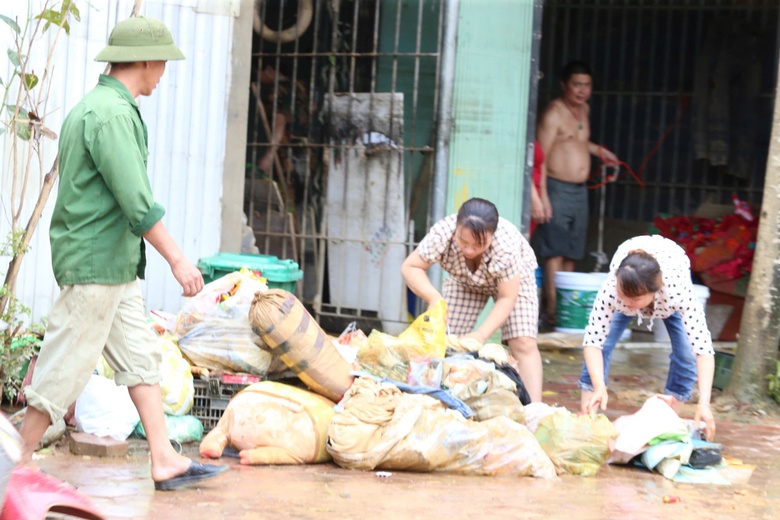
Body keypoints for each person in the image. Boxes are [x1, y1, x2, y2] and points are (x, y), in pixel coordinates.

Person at [19, 17, 228, 491]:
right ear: (146, 60)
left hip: (114, 267)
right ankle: (17, 459)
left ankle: (163, 458)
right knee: (64, 365)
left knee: (140, 357)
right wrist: (177, 258)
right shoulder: (110, 115)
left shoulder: (106, 107)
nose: (164, 74)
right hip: (95, 266)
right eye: (163, 64)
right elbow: (137, 201)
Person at [401, 198, 543, 402]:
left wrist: (480, 336)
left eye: (478, 244)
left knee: (523, 342)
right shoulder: (443, 233)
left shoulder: (507, 245)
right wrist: (434, 298)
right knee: (447, 342)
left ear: (492, 236)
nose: (468, 250)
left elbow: (507, 297)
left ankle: (533, 411)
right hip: (463, 281)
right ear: (456, 227)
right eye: (463, 241)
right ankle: (440, 404)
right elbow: (410, 266)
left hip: (511, 283)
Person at [579, 235, 716, 441]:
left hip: (669, 272)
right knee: (603, 346)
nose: (627, 303)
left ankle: (666, 422)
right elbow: (593, 342)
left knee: (685, 354)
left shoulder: (677, 292)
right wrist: (599, 386)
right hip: (631, 269)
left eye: (634, 299)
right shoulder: (612, 291)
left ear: (655, 291)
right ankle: (587, 421)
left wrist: (704, 403)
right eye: (622, 295)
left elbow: (703, 349)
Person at [535, 60, 619, 327]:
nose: (582, 91)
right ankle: (552, 309)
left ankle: (565, 307)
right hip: (557, 188)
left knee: (572, 251)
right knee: (555, 251)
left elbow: (578, 141)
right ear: (564, 85)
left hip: (580, 190)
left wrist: (599, 151)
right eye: (577, 85)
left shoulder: (584, 110)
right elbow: (541, 157)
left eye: (587, 85)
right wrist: (542, 196)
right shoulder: (553, 113)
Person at [529, 139, 551, 237]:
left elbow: (541, 163)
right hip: (526, 199)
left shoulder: (531, 137)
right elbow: (521, 168)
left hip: (536, 195)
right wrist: (535, 200)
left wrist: (543, 197)